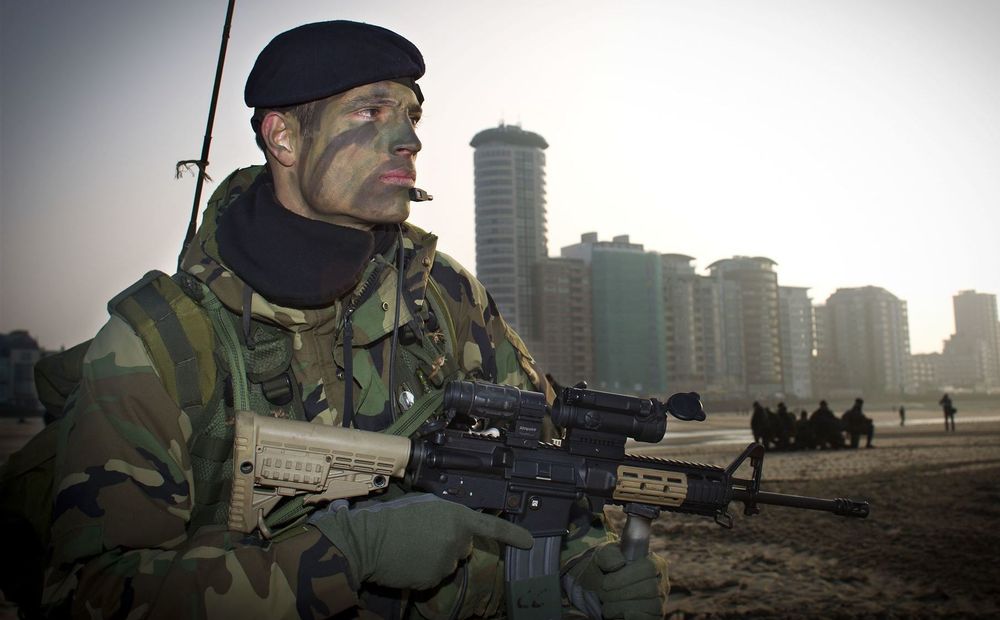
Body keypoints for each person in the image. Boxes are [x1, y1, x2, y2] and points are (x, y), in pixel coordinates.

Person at [41, 21, 667, 619]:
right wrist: (341, 557)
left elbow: (537, 466)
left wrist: (582, 574)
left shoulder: (444, 297)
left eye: (412, 116)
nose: (410, 140)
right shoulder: (163, 341)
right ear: (283, 138)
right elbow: (87, 592)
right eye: (370, 112)